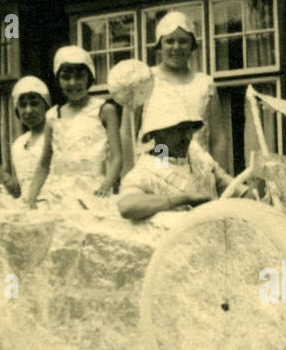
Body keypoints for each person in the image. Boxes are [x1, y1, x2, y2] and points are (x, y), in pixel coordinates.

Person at [126, 11, 228, 174]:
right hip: (157, 163)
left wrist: (220, 178)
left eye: (183, 41)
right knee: (165, 190)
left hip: (198, 168)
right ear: (159, 46)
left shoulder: (204, 83)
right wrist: (128, 175)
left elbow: (218, 139)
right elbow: (127, 133)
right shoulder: (145, 79)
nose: (176, 47)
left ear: (192, 46)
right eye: (169, 41)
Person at [117, 93, 247, 221]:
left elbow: (232, 188)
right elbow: (126, 206)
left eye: (188, 129)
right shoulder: (145, 170)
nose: (186, 137)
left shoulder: (197, 156)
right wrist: (183, 199)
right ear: (156, 133)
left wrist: (251, 192)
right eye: (177, 130)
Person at [24, 45, 123, 209]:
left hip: (94, 193)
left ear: (89, 77)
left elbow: (117, 157)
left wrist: (105, 186)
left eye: (79, 76)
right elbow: (43, 164)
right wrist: (31, 199)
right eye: (66, 77)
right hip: (59, 196)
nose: (73, 83)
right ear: (58, 79)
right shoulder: (52, 117)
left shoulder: (105, 110)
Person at [0, 76, 50, 198]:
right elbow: (16, 191)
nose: (28, 110)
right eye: (23, 105)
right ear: (17, 110)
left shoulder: (57, 137)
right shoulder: (19, 145)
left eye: (34, 103)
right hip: (29, 211)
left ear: (46, 105)